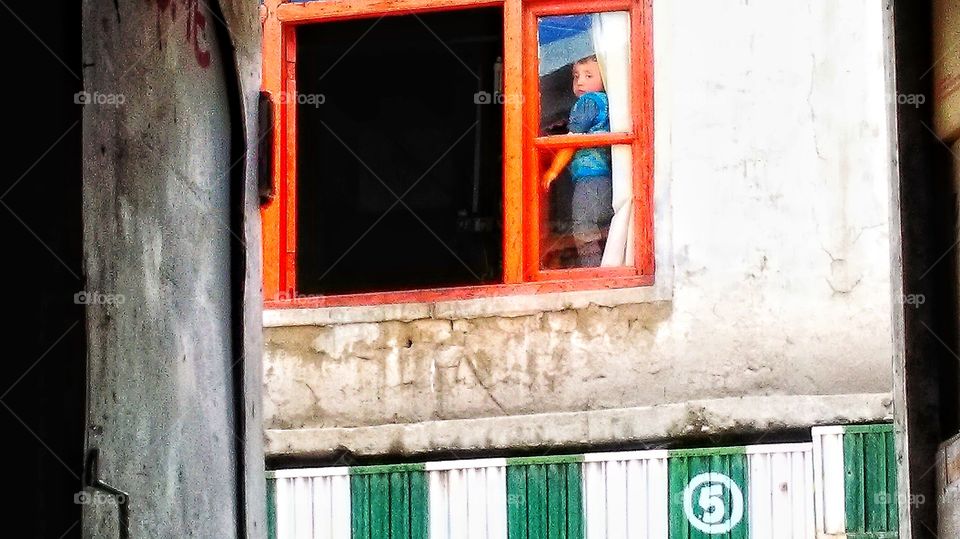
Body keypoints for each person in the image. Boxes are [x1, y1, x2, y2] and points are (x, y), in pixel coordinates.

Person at [541, 54, 613, 267]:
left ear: (605, 77)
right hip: (607, 177)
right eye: (576, 76)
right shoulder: (607, 102)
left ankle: (592, 270)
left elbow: (571, 141)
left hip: (589, 177)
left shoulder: (587, 101)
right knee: (603, 224)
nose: (580, 81)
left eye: (589, 75)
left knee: (583, 227)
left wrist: (553, 170)